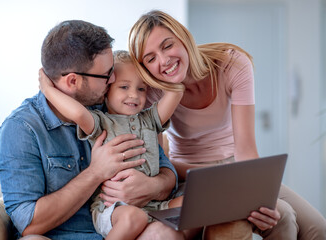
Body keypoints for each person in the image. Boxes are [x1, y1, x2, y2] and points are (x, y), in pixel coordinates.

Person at [123, 10, 326, 240]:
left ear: (183, 38)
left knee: (317, 229)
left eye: (167, 46)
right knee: (286, 215)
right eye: (150, 58)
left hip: (237, 170)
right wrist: (208, 175)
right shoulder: (150, 92)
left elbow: (246, 151)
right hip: (190, 175)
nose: (163, 60)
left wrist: (253, 190)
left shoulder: (231, 63)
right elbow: (159, 163)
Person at [0, 20, 183, 240]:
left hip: (129, 228)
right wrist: (96, 173)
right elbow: (28, 223)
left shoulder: (114, 105)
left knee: (166, 233)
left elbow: (166, 172)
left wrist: (150, 186)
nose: (113, 79)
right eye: (106, 74)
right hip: (61, 236)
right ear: (73, 81)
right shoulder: (22, 128)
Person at [38, 50, 184, 240]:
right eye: (124, 87)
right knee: (134, 217)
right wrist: (48, 90)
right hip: (112, 208)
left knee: (192, 204)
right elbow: (79, 114)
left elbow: (176, 91)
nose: (134, 95)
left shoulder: (149, 119)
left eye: (141, 89)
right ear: (106, 91)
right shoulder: (101, 122)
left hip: (151, 203)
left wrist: (164, 65)